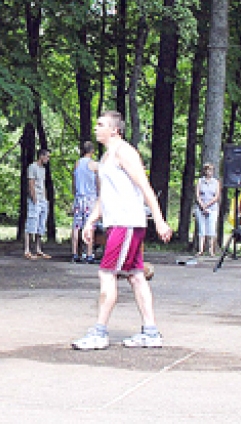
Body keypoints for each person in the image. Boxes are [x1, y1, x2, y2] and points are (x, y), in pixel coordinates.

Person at [71, 111, 173, 351]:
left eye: (101, 125)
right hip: (118, 223)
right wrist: (90, 221)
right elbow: (105, 195)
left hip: (127, 223)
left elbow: (145, 187)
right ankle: (151, 332)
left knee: (106, 274)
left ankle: (99, 332)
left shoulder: (125, 152)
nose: (96, 129)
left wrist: (159, 220)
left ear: (114, 130)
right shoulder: (107, 157)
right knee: (136, 276)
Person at [72, 141, 99, 263]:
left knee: (76, 226)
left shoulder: (77, 163)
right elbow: (98, 183)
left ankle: (74, 253)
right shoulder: (94, 165)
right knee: (90, 226)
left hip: (79, 197)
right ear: (92, 151)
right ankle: (89, 254)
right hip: (90, 198)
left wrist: (75, 193)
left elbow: (74, 182)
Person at [24, 148, 52, 259]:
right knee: (31, 224)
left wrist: (45, 199)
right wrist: (34, 198)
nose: (48, 159)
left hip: (43, 200)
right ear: (41, 156)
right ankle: (27, 249)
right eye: (47, 156)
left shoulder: (43, 169)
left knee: (41, 225)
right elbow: (31, 183)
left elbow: (43, 184)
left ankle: (38, 249)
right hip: (35, 200)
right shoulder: (32, 167)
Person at [195, 163, 219, 257]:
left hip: (212, 208)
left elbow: (216, 196)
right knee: (202, 229)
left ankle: (211, 250)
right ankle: (200, 250)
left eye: (211, 170)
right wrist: (202, 205)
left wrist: (208, 205)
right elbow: (197, 195)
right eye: (208, 170)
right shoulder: (200, 181)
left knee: (211, 229)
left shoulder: (216, 182)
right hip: (201, 208)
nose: (210, 172)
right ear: (205, 171)